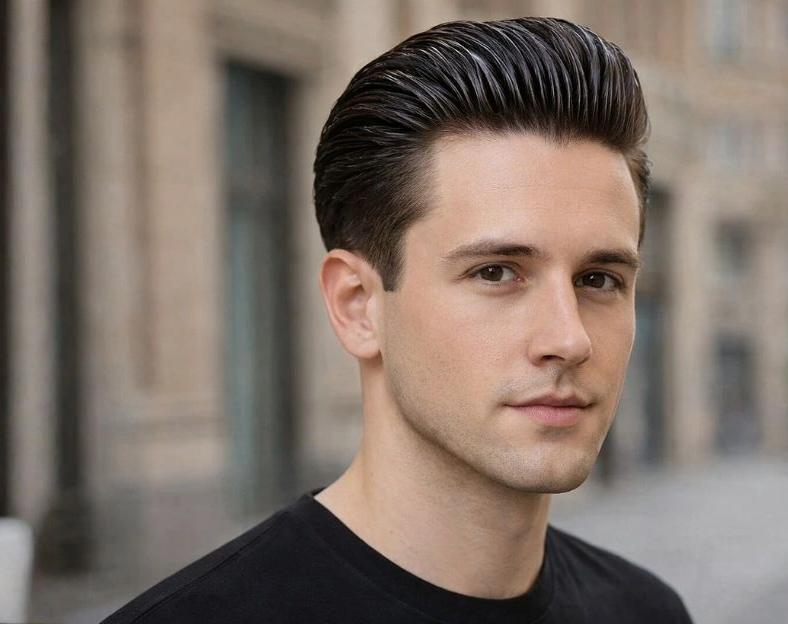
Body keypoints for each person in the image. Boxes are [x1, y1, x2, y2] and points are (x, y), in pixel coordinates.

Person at [103, 16, 692, 623]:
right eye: (496, 272)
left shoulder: (646, 612)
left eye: (599, 280)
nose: (569, 338)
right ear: (357, 304)